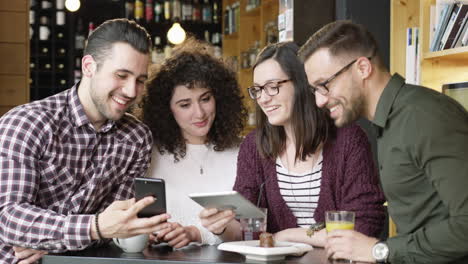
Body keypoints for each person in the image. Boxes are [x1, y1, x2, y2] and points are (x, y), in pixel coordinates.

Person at [0, 18, 171, 264]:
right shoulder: (27, 123)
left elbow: (118, 226)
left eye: (140, 80)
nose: (132, 91)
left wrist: (47, 239)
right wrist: (95, 226)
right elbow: (8, 219)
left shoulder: (137, 138)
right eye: (122, 75)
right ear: (89, 67)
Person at [299, 20, 468, 264]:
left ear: (363, 68)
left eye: (324, 85)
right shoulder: (388, 122)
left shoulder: (423, 116)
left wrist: (380, 251)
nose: (319, 101)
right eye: (314, 90)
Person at [199, 42, 386, 247]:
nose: (263, 98)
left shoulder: (348, 140)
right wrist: (222, 227)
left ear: (302, 83)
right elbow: (248, 229)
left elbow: (364, 225)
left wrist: (287, 235)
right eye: (258, 90)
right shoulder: (254, 146)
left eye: (273, 87)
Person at [140, 39, 247, 248]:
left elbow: (253, 228)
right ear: (167, 110)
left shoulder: (243, 152)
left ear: (220, 97)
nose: (199, 113)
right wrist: (150, 233)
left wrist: (196, 234)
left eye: (205, 99)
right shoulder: (147, 154)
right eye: (185, 104)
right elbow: (135, 222)